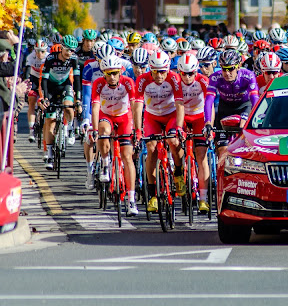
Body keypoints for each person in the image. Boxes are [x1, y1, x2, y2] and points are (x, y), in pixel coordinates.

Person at [133, 51, 185, 213]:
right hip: (152, 117)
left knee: (173, 142)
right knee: (151, 148)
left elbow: (180, 104)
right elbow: (137, 106)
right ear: (150, 69)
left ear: (168, 69)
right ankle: (153, 195)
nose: (159, 75)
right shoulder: (143, 80)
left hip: (170, 115)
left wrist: (179, 127)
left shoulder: (174, 78)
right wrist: (137, 129)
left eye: (163, 71)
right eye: (155, 71)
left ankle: (178, 173)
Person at [89, 55, 138, 216]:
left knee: (127, 156)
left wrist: (137, 129)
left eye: (115, 73)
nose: (112, 77)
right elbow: (95, 108)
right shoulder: (98, 84)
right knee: (103, 132)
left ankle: (131, 199)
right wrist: (95, 129)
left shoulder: (128, 82)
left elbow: (134, 105)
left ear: (120, 72)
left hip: (124, 117)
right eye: (108, 73)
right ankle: (105, 163)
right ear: (103, 73)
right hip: (106, 115)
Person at [38, 35, 82, 169]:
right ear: (62, 48)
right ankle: (50, 155)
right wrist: (45, 98)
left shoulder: (74, 59)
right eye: (68, 50)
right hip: (50, 88)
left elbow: (77, 80)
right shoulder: (51, 59)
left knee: (69, 107)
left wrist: (78, 99)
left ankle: (69, 129)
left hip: (65, 86)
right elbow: (44, 80)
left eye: (73, 50)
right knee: (50, 122)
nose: (70, 53)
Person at [204, 50, 259, 157]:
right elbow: (209, 101)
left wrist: (254, 118)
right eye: (224, 69)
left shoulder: (248, 75)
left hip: (244, 107)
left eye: (231, 69)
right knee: (222, 149)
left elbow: (254, 99)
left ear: (238, 67)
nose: (227, 73)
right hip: (225, 108)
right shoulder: (215, 77)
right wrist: (208, 123)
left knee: (243, 129)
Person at [177, 53, 213, 213]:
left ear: (196, 71)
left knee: (201, 155)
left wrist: (209, 125)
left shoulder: (203, 81)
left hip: (199, 117)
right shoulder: (175, 82)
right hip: (182, 117)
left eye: (191, 73)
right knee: (176, 147)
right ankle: (178, 176)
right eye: (184, 74)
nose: (187, 77)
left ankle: (203, 199)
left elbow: (210, 105)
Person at [25, 40, 48, 142]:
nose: (39, 54)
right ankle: (31, 130)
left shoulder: (48, 57)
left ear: (46, 50)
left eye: (42, 51)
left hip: (44, 80)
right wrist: (27, 85)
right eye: (37, 51)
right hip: (34, 79)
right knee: (31, 100)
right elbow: (27, 72)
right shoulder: (31, 57)